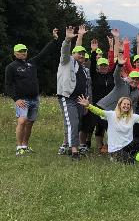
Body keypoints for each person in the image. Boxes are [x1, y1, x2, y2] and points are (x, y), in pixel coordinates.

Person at [4, 28, 58, 155]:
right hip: (22, 100)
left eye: (25, 51)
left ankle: (25, 145)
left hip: (34, 98)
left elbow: (43, 54)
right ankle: (19, 148)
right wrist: (16, 98)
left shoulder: (31, 63)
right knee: (22, 121)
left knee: (29, 123)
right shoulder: (11, 67)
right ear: (15, 53)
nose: (23, 53)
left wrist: (54, 40)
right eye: (20, 51)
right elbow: (8, 84)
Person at [56, 25, 92, 160]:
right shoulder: (67, 61)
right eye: (78, 53)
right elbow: (66, 51)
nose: (81, 55)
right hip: (67, 97)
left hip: (79, 99)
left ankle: (67, 145)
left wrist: (81, 36)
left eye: (83, 54)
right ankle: (74, 151)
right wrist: (67, 39)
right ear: (73, 54)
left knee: (74, 122)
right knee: (73, 123)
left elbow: (78, 49)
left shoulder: (82, 68)